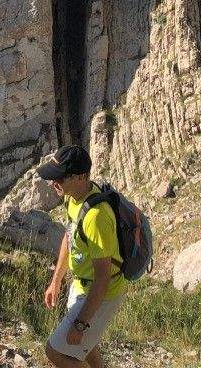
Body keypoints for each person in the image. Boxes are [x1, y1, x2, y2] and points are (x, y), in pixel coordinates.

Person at [39, 144, 127, 368]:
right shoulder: (73, 198)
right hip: (81, 285)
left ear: (81, 177)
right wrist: (56, 280)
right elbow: (70, 236)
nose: (53, 182)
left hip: (102, 293)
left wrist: (81, 324)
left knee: (55, 352)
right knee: (87, 348)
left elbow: (102, 279)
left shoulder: (97, 216)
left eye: (60, 178)